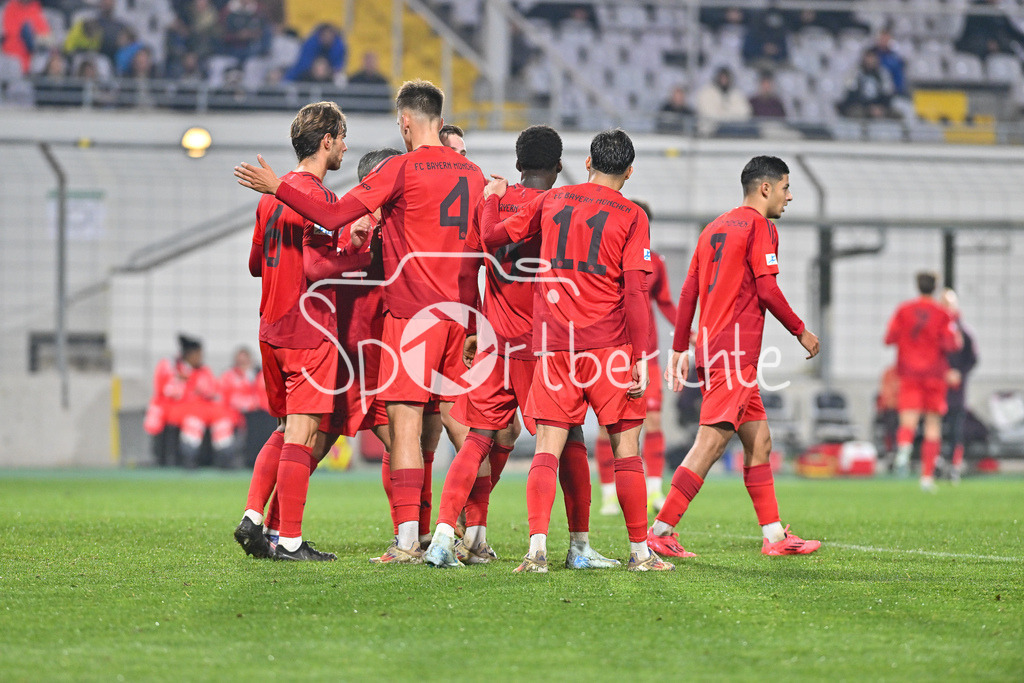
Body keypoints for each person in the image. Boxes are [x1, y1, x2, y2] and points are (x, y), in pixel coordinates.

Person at [234, 80, 487, 564]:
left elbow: (335, 215)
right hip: (459, 316)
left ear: (406, 122)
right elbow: (487, 243)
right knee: (466, 433)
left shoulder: (402, 169)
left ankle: (408, 541)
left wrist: (279, 188)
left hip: (405, 322)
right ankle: (473, 534)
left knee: (400, 432)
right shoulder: (475, 175)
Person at [424, 125, 617, 570]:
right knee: (568, 440)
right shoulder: (558, 204)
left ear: (516, 164)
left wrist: (492, 197)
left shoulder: (491, 200)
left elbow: (480, 249)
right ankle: (578, 547)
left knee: (476, 441)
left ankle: (442, 538)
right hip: (543, 346)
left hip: (494, 341)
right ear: (557, 166)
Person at [480, 129, 673, 573]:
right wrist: (641, 356)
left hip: (553, 347)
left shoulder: (554, 199)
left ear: (586, 162)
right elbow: (635, 293)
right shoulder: (633, 215)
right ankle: (641, 553)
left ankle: (536, 551)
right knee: (627, 449)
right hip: (608, 347)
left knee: (547, 447)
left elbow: (491, 236)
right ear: (628, 171)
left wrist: (492, 196)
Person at [652, 155, 822, 558]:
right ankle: (660, 531)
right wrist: (801, 329)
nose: (789, 196)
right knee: (710, 444)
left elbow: (688, 291)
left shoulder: (713, 228)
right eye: (785, 187)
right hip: (733, 353)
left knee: (760, 440)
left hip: (716, 349)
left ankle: (776, 538)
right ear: (765, 188)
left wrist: (680, 347)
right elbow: (767, 290)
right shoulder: (759, 226)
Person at [233, 100, 369, 562]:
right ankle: (289, 540)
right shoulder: (320, 201)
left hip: (270, 330)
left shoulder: (271, 197)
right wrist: (361, 255)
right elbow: (315, 264)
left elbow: (255, 265)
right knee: (302, 436)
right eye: (342, 138)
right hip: (308, 330)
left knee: (285, 429)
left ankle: (254, 517)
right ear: (326, 141)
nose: (346, 147)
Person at [595, 201, 676, 516]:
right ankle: (608, 495)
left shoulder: (655, 262)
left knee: (652, 420)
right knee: (607, 425)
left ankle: (655, 489)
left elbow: (666, 302)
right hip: (612, 352)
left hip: (647, 354)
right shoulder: (606, 260)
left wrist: (688, 331)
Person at [885, 272, 961, 491]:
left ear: (917, 286)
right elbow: (952, 344)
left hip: (909, 374)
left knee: (908, 419)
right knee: (932, 425)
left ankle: (904, 448)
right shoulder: (943, 314)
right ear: (935, 287)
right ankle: (926, 478)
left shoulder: (903, 310)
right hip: (934, 376)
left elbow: (889, 338)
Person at [144, 334, 237, 469]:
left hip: (204, 408)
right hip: (181, 409)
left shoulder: (203, 370)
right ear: (189, 354)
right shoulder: (173, 368)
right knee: (193, 421)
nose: (200, 358)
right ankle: (189, 459)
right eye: (198, 354)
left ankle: (225, 458)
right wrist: (184, 382)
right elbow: (168, 392)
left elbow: (213, 390)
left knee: (223, 420)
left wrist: (199, 387)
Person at [941, 289, 977, 484]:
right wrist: (942, 372)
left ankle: (954, 465)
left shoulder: (965, 333)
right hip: (937, 388)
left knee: (956, 430)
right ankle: (935, 464)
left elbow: (972, 359)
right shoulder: (935, 331)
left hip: (956, 391)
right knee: (934, 427)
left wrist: (958, 374)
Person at [838, 50, 896, 119]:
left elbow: (887, 93)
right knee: (856, 113)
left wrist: (880, 107)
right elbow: (851, 95)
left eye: (872, 58)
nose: (870, 61)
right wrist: (868, 107)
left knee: (896, 114)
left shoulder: (883, 74)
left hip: (879, 106)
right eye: (868, 58)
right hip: (860, 106)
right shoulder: (855, 73)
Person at [695, 67, 752, 135]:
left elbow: (745, 112)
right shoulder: (706, 92)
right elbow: (710, 115)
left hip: (734, 132)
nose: (724, 80)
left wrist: (724, 114)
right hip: (710, 134)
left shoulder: (736, 93)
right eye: (722, 77)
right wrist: (730, 115)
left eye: (726, 77)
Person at [1, 0, 51, 74]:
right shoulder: (7, 9)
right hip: (9, 58)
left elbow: (46, 39)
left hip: (32, 60)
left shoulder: (37, 10)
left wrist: (32, 39)